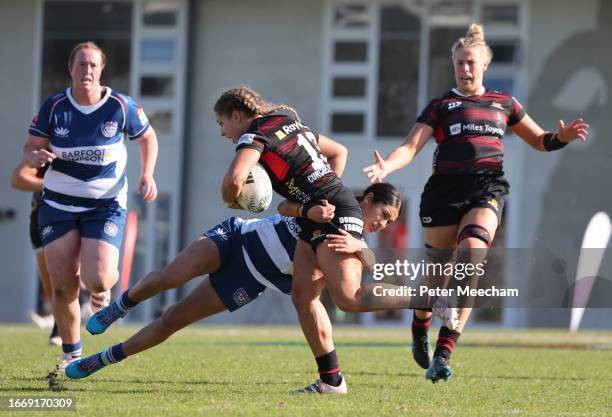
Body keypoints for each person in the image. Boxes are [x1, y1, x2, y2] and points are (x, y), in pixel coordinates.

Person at [363, 23, 589, 383]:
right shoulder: (441, 105)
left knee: (472, 253)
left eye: (471, 62)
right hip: (443, 194)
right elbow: (410, 146)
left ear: (485, 65)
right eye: (459, 63)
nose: (465, 69)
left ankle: (444, 351)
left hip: (487, 188)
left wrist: (560, 137)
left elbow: (540, 140)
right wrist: (386, 165)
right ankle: (420, 323)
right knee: (435, 277)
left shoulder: (504, 103)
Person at [64, 184, 399, 382]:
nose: (383, 224)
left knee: (172, 320)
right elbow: (287, 201)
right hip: (236, 238)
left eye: (390, 222)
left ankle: (101, 360)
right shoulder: (333, 200)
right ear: (368, 198)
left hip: (250, 279)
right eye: (383, 214)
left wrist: (363, 249)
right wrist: (308, 209)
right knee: (171, 276)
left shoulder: (352, 239)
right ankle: (120, 306)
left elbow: (358, 279)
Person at [213, 86, 413, 394]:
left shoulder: (253, 136)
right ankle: (331, 381)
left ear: (236, 115)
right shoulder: (285, 116)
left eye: (222, 123)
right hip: (317, 215)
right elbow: (338, 152)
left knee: (349, 298)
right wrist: (311, 202)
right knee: (303, 296)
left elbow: (233, 181)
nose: (223, 132)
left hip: (335, 210)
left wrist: (231, 199)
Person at [21, 41, 159, 371]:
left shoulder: (119, 106)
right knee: (63, 284)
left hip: (105, 204)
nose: (87, 70)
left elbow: (148, 137)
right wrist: (35, 156)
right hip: (58, 204)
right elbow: (29, 148)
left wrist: (148, 175)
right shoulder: (54, 107)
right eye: (81, 64)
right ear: (71, 69)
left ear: (101, 70)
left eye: (93, 65)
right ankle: (72, 356)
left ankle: (100, 292)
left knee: (98, 278)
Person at [11, 163, 61, 346]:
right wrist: (51, 183)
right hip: (39, 215)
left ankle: (62, 329)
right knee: (48, 282)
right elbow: (18, 179)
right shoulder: (43, 150)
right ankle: (59, 320)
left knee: (64, 275)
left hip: (66, 216)